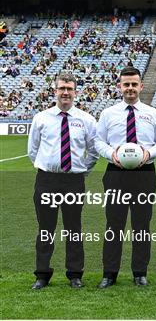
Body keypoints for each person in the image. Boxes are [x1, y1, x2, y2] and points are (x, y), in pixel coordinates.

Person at [95, 66, 156, 288]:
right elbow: (99, 141)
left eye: (133, 84)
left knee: (141, 225)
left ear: (141, 86)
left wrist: (149, 153)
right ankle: (109, 273)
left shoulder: (153, 113)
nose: (130, 88)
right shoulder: (108, 114)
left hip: (144, 173)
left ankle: (140, 272)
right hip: (116, 173)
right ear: (120, 86)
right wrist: (112, 154)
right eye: (126, 84)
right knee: (113, 225)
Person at [27, 72, 99, 289]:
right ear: (55, 91)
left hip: (73, 182)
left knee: (73, 228)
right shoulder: (41, 118)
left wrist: (80, 172)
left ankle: (75, 274)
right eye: (62, 88)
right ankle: (42, 275)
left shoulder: (86, 119)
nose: (65, 92)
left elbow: (93, 152)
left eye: (69, 89)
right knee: (45, 229)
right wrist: (48, 168)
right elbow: (33, 150)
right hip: (46, 180)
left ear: (75, 92)